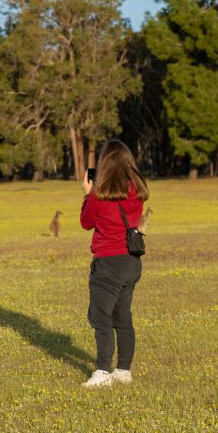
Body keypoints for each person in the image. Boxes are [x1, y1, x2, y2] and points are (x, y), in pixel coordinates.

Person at [79, 140, 148, 387]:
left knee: (100, 317)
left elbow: (86, 223)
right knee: (122, 316)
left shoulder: (99, 194)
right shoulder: (136, 191)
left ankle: (102, 372)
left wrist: (88, 195)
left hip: (108, 262)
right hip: (131, 261)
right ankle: (123, 370)